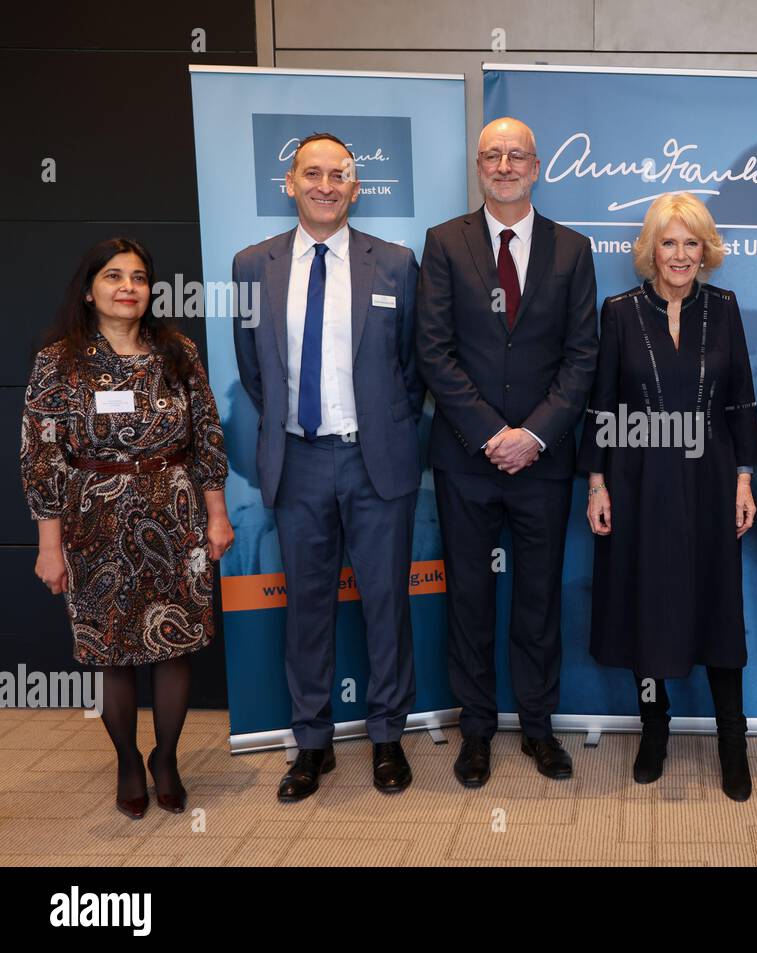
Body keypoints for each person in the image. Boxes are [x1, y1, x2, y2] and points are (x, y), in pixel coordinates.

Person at [233, 132, 424, 802]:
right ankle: (311, 744)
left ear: (355, 186)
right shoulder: (252, 266)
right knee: (307, 609)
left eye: (337, 174)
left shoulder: (396, 264)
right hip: (300, 461)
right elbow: (255, 372)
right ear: (290, 183)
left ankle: (387, 739)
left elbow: (411, 369)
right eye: (310, 173)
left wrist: (378, 424)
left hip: (377, 464)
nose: (324, 185)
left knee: (385, 607)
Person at [21, 237, 232, 819]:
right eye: (114, 276)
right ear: (90, 290)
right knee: (111, 651)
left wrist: (217, 515)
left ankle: (166, 757)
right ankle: (127, 759)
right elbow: (42, 458)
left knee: (173, 644)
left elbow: (208, 438)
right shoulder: (59, 361)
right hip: (94, 521)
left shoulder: (177, 351)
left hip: (177, 513)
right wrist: (49, 545)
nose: (128, 287)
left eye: (139, 277)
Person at [417, 117, 598, 788]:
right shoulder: (444, 243)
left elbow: (582, 358)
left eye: (515, 155)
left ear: (537, 165)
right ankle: (475, 730)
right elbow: (432, 350)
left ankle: (540, 727)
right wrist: (492, 433)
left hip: (544, 462)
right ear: (478, 166)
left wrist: (535, 434)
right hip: (466, 458)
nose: (503, 165)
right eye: (491, 155)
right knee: (467, 597)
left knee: (538, 598)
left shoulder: (572, 250)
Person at [579, 193, 757, 801]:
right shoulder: (620, 310)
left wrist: (743, 480)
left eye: (691, 243)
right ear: (651, 250)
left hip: (710, 476)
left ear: (705, 250)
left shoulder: (725, 308)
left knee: (718, 604)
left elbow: (740, 401)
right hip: (639, 476)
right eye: (669, 242)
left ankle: (731, 742)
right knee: (647, 604)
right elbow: (602, 406)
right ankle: (653, 732)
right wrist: (598, 484)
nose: (680, 255)